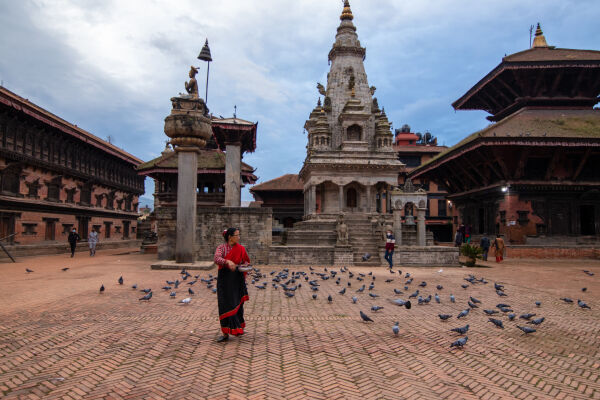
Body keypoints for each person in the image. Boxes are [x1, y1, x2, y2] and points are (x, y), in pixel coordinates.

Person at [213, 227, 250, 343]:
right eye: (237, 235)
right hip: (225, 281)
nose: (239, 237)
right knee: (225, 304)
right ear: (230, 237)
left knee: (237, 303)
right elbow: (216, 258)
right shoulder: (222, 248)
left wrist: (246, 266)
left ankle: (238, 328)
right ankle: (225, 333)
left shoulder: (241, 249)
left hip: (237, 279)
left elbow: (246, 261)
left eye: (239, 235)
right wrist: (227, 261)